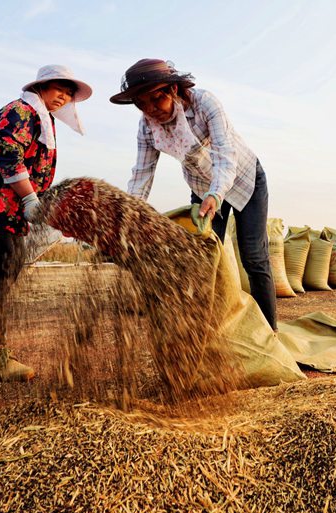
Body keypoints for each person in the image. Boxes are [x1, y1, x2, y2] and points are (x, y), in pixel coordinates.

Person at [0, 65, 92, 381]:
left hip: (2, 205)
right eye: (59, 89)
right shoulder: (21, 111)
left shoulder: (42, 120)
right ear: (41, 88)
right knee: (2, 266)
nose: (64, 96)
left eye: (69, 94)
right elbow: (9, 157)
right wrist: (29, 198)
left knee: (1, 268)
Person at [110, 59, 278, 330]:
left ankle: (270, 331)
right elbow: (142, 174)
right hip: (201, 186)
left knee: (253, 257)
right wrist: (129, 214)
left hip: (245, 178)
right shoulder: (146, 127)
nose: (152, 110)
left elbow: (226, 154)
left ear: (173, 90)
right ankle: (209, 331)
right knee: (202, 261)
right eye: (142, 104)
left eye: (156, 100)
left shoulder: (205, 103)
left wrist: (216, 194)